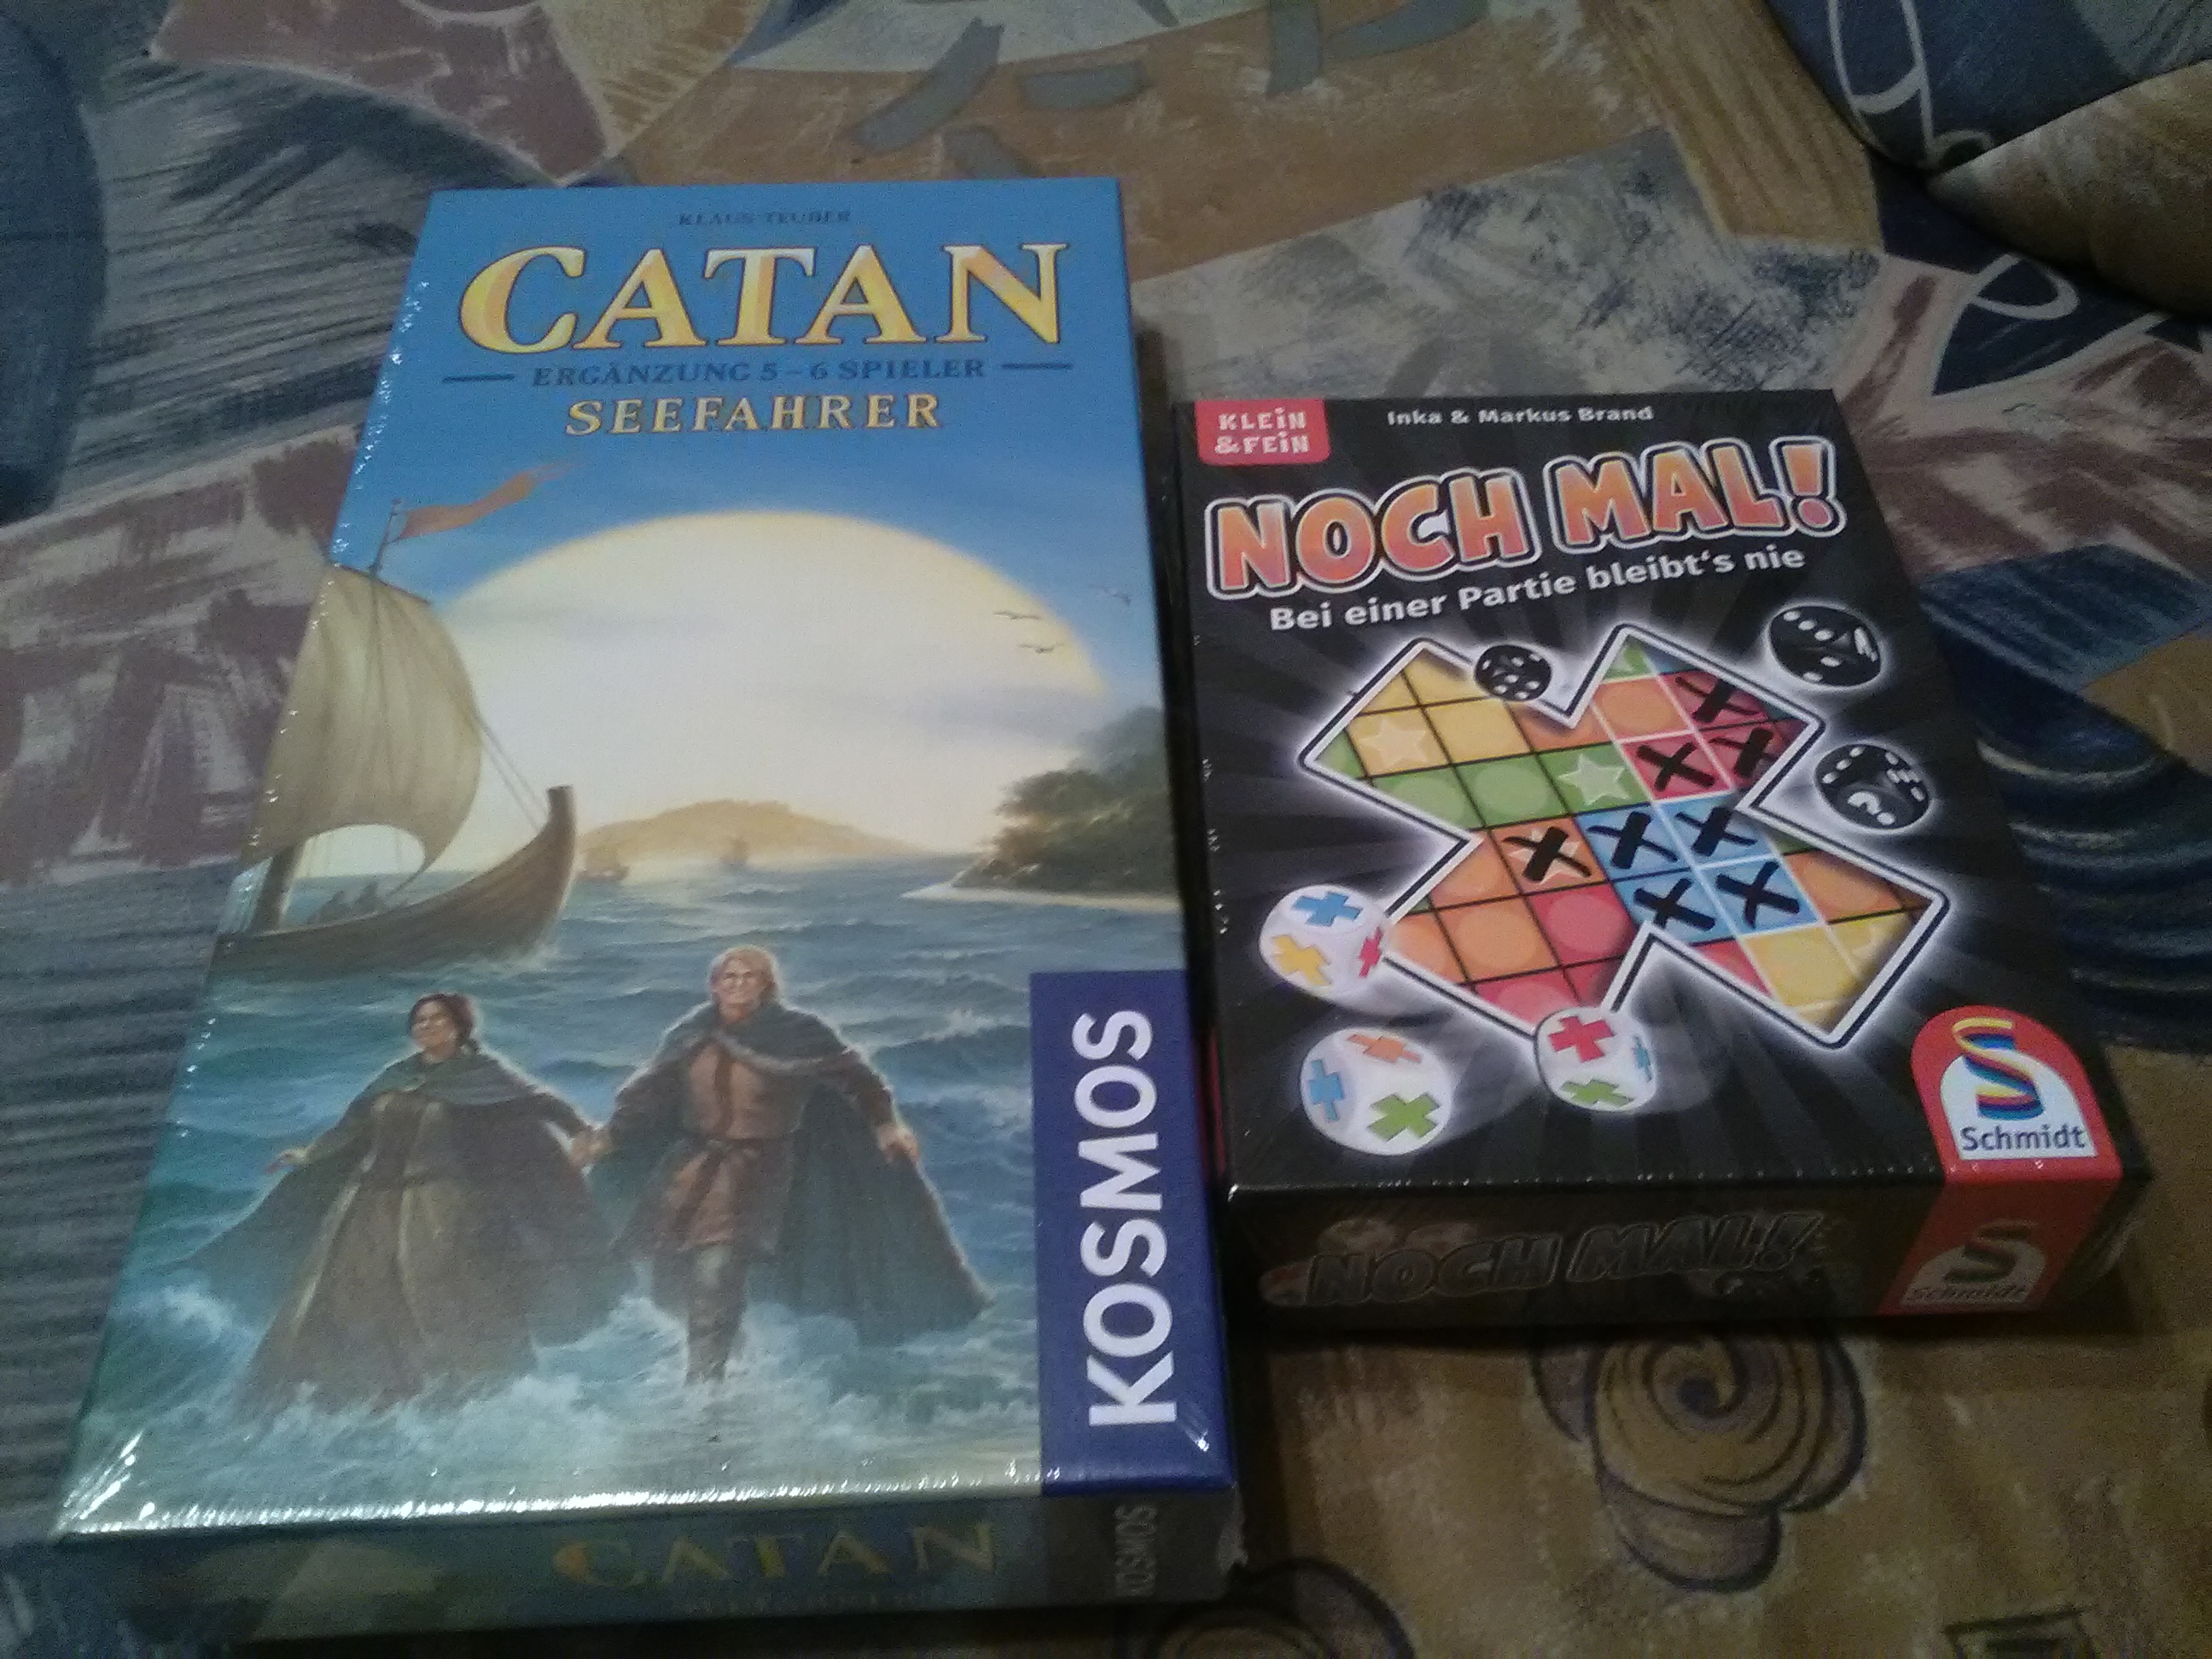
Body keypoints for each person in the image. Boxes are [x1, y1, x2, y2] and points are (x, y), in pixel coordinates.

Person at [574, 946, 988, 1383]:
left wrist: (887, 1125)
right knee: (670, 1279)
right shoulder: (691, 1033)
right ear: (714, 985)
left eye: (749, 977)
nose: (738, 985)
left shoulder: (797, 1034)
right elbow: (650, 1093)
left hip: (757, 1167)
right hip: (689, 1164)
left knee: (717, 1268)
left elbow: (859, 1079)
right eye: (729, 977)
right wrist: (608, 1137)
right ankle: (733, 1352)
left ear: (766, 986)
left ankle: (705, 1387)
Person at [193, 992, 622, 1408]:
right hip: (366, 1202)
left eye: (438, 1018)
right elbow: (354, 1126)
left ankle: (471, 1383)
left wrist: (582, 1130)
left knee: (438, 1289)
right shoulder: (397, 1075)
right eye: (420, 1020)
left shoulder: (483, 1074)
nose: (427, 1026)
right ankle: (357, 1388)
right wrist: (310, 1153)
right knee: (348, 1292)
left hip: (437, 1202)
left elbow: (541, 1101)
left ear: (459, 1027)